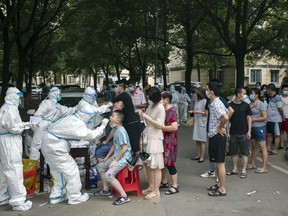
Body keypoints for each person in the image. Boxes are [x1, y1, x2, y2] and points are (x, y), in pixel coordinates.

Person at [41, 105, 109, 205]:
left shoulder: (71, 118)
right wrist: (102, 126)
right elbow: (91, 136)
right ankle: (74, 197)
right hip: (55, 147)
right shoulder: (76, 124)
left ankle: (56, 195)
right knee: (72, 171)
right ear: (86, 116)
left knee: (58, 172)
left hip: (47, 145)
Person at [0, 87, 33, 211]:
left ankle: (3, 195)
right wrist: (24, 126)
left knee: (5, 169)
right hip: (10, 141)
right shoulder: (10, 109)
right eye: (18, 96)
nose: (19, 99)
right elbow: (13, 127)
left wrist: (24, 124)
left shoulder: (6, 107)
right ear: (13, 96)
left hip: (7, 140)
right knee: (14, 169)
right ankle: (18, 201)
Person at [95, 110, 132, 205]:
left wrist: (115, 161)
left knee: (109, 175)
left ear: (118, 120)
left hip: (124, 158)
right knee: (100, 166)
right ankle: (106, 189)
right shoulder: (115, 129)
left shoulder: (121, 131)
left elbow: (124, 149)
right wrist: (107, 158)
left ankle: (124, 196)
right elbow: (114, 145)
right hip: (117, 156)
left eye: (113, 116)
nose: (110, 117)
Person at [29, 87, 76, 160]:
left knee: (48, 147)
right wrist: (34, 127)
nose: (60, 96)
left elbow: (69, 111)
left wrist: (79, 107)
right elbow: (38, 115)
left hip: (50, 127)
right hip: (42, 126)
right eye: (59, 94)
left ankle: (45, 165)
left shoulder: (58, 106)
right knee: (37, 145)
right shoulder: (46, 103)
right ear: (54, 94)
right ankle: (34, 165)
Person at [139, 87, 166, 200]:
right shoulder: (152, 105)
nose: (148, 98)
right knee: (148, 164)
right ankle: (151, 186)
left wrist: (145, 116)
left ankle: (156, 190)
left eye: (149, 96)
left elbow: (160, 125)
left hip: (155, 138)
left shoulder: (160, 108)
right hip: (148, 136)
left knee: (156, 166)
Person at [205, 82, 229, 196]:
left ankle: (222, 188)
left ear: (212, 92)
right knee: (217, 162)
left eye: (207, 89)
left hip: (217, 136)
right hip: (213, 135)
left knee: (220, 163)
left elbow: (225, 117)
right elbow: (228, 113)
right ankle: (219, 184)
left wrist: (220, 127)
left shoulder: (217, 103)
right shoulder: (214, 102)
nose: (206, 92)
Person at [226, 88, 252, 179]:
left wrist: (249, 131)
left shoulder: (246, 105)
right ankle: (235, 169)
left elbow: (249, 118)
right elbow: (227, 120)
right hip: (233, 132)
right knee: (233, 152)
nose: (244, 95)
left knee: (244, 152)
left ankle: (244, 170)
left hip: (244, 132)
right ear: (238, 94)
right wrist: (227, 132)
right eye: (243, 93)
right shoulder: (230, 105)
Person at [112, 79, 141, 153]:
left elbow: (110, 102)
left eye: (117, 87)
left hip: (132, 124)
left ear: (120, 87)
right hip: (130, 123)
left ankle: (139, 162)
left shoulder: (123, 96)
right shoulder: (125, 97)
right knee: (131, 145)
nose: (116, 89)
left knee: (135, 146)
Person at [160, 91, 179, 195]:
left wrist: (161, 127)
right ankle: (164, 181)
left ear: (166, 100)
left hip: (169, 141)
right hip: (164, 139)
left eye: (161, 99)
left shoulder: (171, 111)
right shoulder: (164, 110)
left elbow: (174, 127)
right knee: (163, 162)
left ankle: (175, 185)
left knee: (170, 163)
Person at [247, 88, 268, 174]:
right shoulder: (251, 103)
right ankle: (253, 164)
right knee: (254, 147)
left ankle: (264, 167)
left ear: (257, 94)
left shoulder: (261, 104)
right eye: (250, 94)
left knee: (263, 148)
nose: (251, 95)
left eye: (252, 93)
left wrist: (253, 120)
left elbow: (265, 117)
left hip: (260, 128)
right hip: (252, 128)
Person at [190, 87, 207, 163]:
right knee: (197, 139)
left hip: (202, 122)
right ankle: (198, 154)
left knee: (202, 140)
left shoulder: (205, 101)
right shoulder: (197, 100)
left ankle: (202, 156)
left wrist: (197, 112)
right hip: (197, 121)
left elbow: (206, 113)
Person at [266, 84, 284, 155]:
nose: (267, 91)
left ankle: (275, 150)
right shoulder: (271, 97)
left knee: (276, 135)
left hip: (276, 120)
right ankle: (268, 148)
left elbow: (280, 108)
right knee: (269, 134)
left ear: (270, 90)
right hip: (270, 120)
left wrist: (282, 116)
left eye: (268, 90)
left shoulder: (277, 98)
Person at [280, 84, 288, 150]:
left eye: (287, 90)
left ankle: (287, 145)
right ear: (282, 89)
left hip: (287, 117)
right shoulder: (279, 97)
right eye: (285, 90)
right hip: (281, 117)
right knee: (282, 131)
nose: (286, 91)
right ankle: (282, 144)